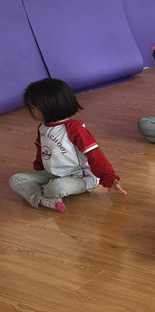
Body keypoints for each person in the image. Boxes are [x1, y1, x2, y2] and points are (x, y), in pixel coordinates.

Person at [9, 78, 127, 212]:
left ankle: (42, 194)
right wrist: (39, 170)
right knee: (15, 179)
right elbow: (42, 150)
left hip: (80, 176)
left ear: (49, 105)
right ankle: (42, 200)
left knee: (56, 188)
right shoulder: (42, 127)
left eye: (32, 107)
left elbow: (95, 155)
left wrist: (109, 178)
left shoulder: (75, 129)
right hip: (53, 173)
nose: (31, 111)